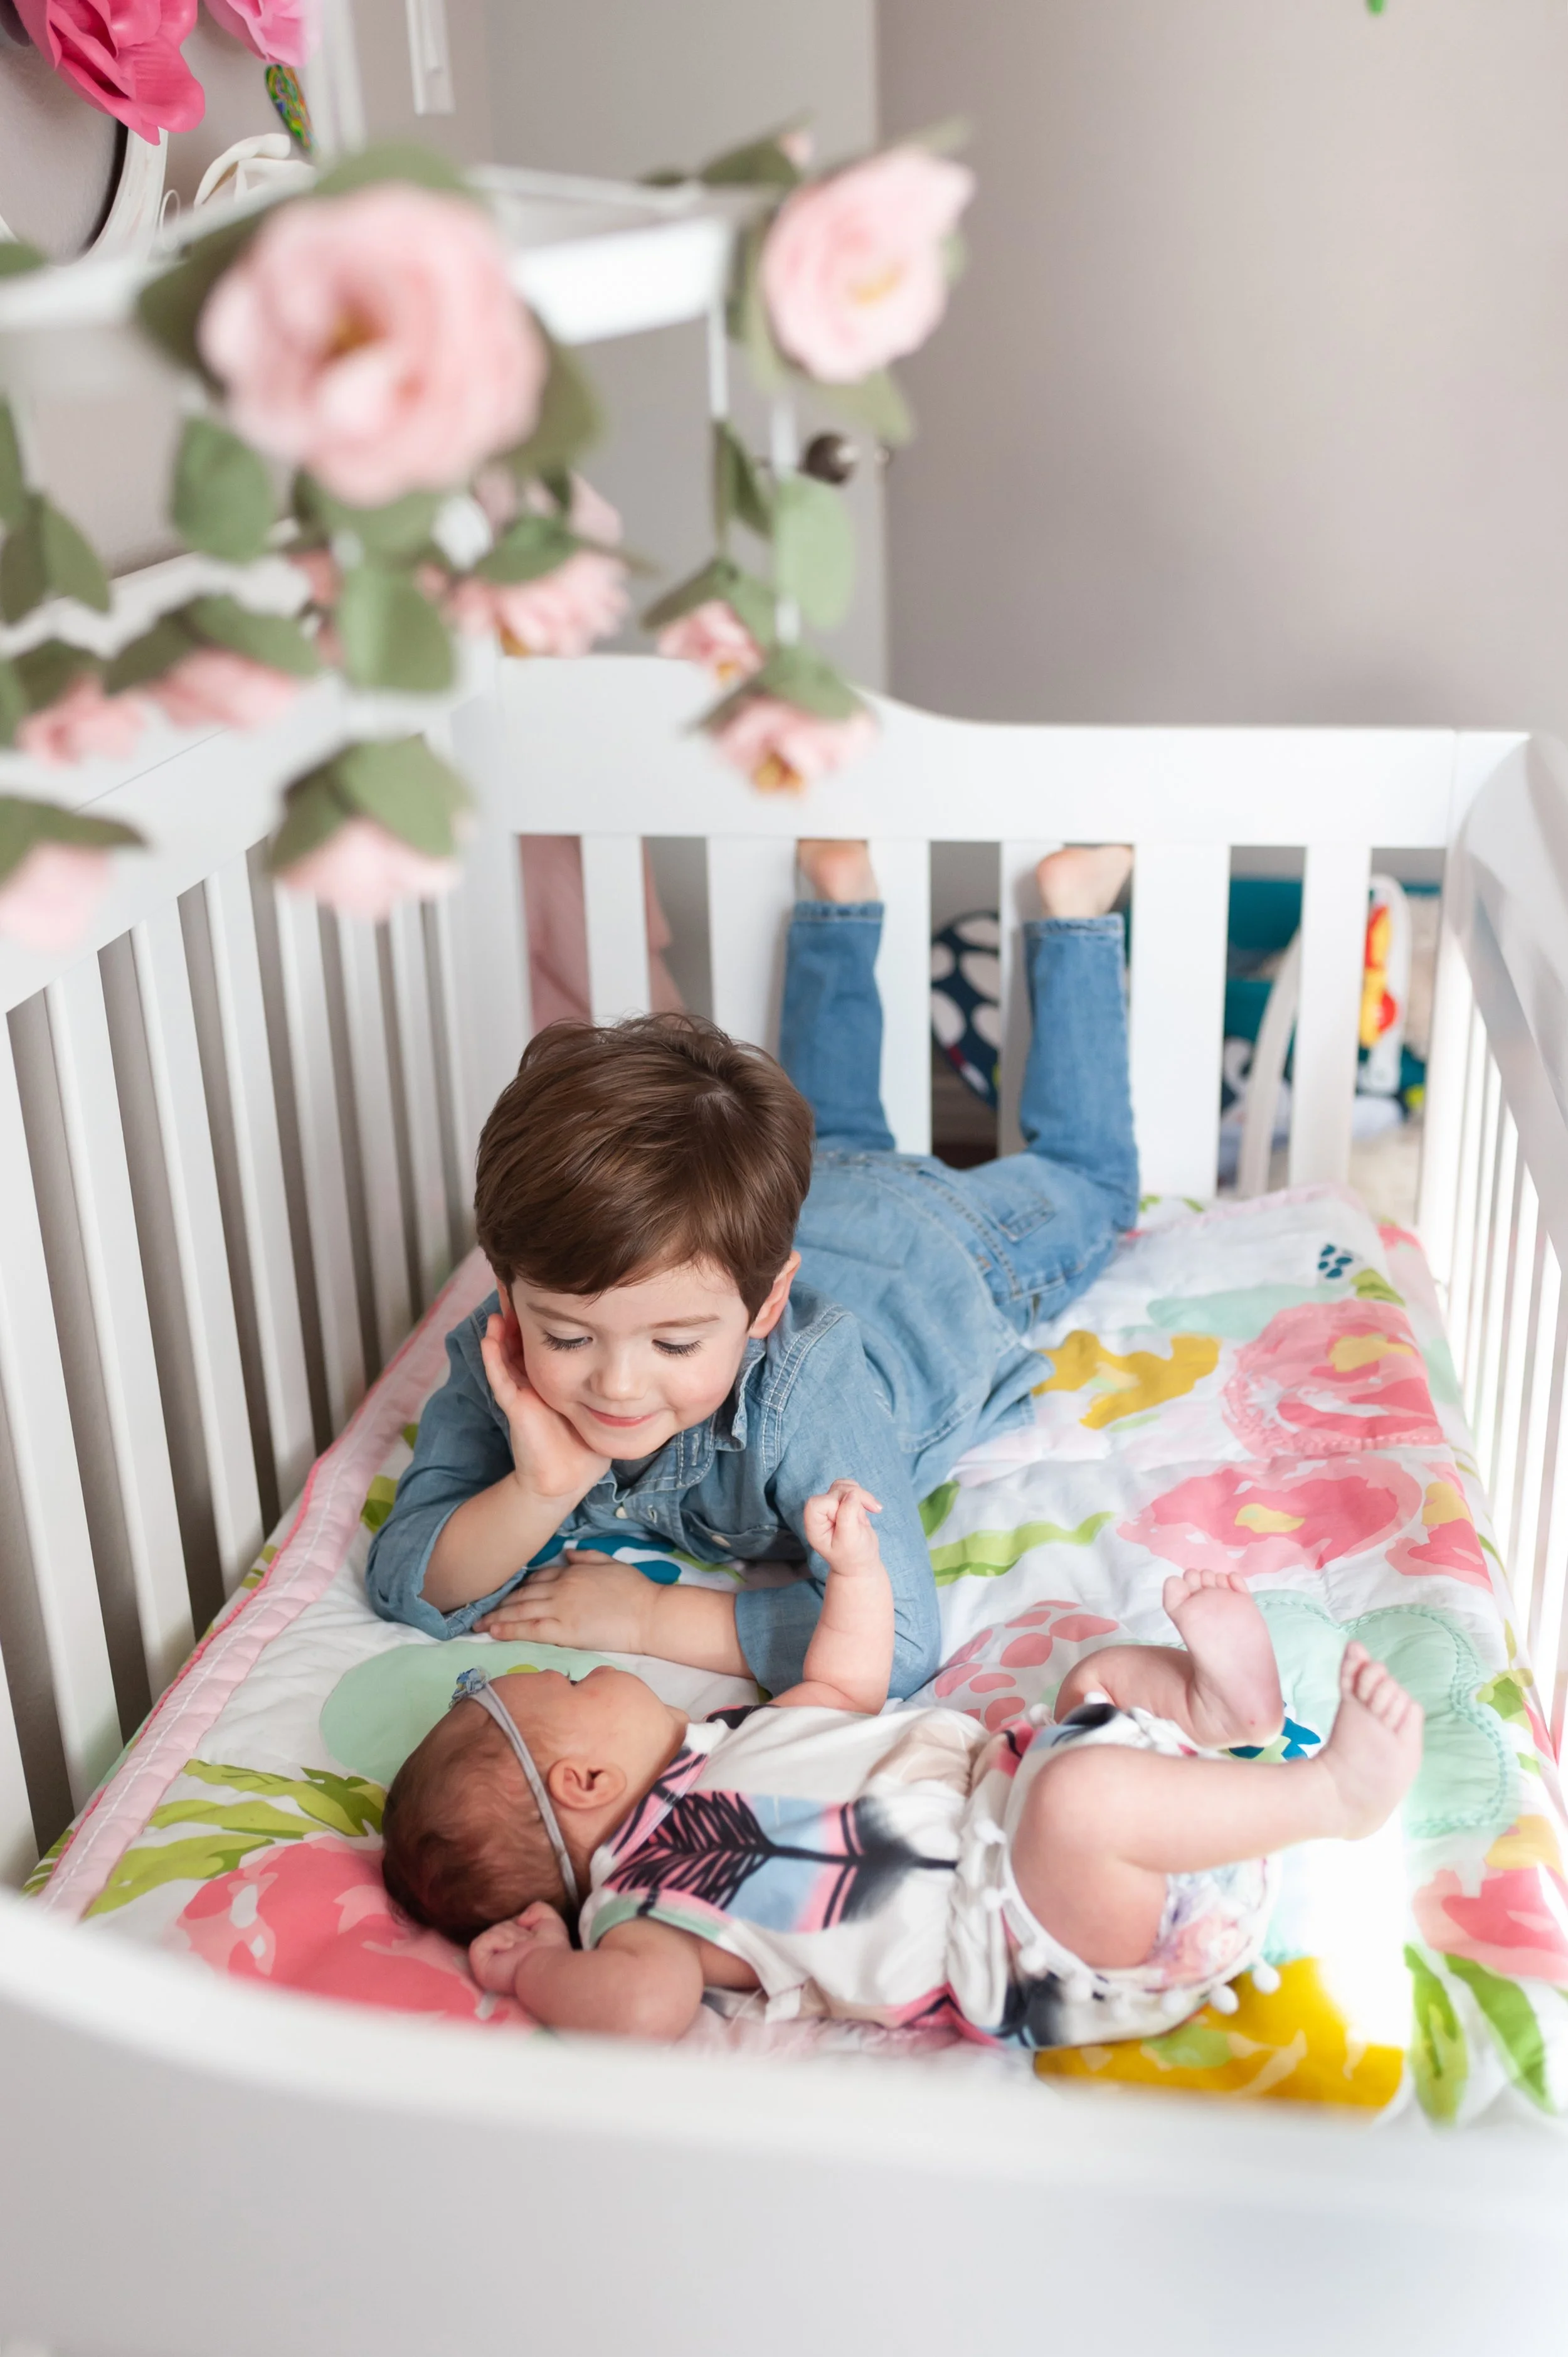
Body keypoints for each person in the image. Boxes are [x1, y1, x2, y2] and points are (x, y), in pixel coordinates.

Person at [366, 841, 1139, 1702]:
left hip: (943, 1244)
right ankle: (840, 902)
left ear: (768, 1304)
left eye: (675, 1343)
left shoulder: (812, 1386)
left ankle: (1075, 917)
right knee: (828, 1132)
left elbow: (904, 1638)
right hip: (820, 1197)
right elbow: (405, 1581)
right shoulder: (507, 1350)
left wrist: (651, 1619)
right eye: (570, 1335)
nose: (617, 1385)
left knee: (1095, 1183)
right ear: (506, 1294)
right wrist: (542, 1487)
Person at [378, 1484, 1424, 2049]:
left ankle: (1221, 1717)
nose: (589, 1671)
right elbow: (643, 2014)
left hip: (1036, 1794)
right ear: (582, 1785)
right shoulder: (644, 1914)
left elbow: (845, 1685)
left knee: (1092, 1681)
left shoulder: (728, 1743)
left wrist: (857, 1573)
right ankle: (1329, 1798)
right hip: (1039, 1932)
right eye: (566, 1689)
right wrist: (539, 1964)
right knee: (1078, 1796)